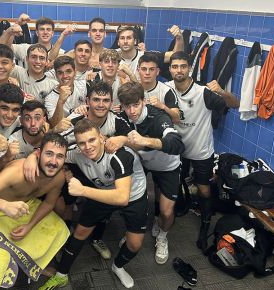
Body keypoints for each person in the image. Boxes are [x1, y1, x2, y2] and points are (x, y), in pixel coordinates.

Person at [38, 119, 147, 289]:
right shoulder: (77, 153)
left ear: (101, 137)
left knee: (134, 244)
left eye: (92, 140)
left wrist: (82, 191)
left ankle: (117, 266)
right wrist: (34, 158)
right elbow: (52, 153)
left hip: (132, 196)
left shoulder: (119, 155)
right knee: (80, 231)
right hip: (102, 193)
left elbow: (121, 197)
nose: (87, 147)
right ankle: (61, 274)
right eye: (82, 143)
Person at [0, 133, 70, 289]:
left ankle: (34, 265)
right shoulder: (17, 171)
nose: (53, 162)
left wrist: (30, 226)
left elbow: (48, 203)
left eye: (59, 156)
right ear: (38, 153)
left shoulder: (59, 177)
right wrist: (5, 206)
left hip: (24, 205)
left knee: (59, 228)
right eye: (49, 154)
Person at [165, 51, 239, 252]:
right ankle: (182, 205)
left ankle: (205, 222)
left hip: (200, 149)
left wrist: (222, 91)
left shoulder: (203, 92)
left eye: (182, 66)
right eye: (174, 66)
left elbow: (236, 104)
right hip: (177, 148)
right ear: (170, 69)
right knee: (176, 181)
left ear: (189, 68)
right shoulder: (166, 89)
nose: (178, 70)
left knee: (204, 188)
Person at [54, 81, 132, 260]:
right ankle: (63, 236)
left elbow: (133, 142)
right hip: (77, 165)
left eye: (106, 100)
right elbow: (55, 146)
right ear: (87, 101)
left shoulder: (117, 121)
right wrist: (65, 169)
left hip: (102, 169)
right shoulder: (75, 120)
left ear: (112, 103)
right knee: (67, 199)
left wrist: (121, 139)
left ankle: (97, 237)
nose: (101, 104)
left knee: (106, 198)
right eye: (96, 100)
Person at [117, 81, 185, 264]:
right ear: (121, 105)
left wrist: (146, 141)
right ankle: (133, 234)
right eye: (127, 106)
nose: (132, 111)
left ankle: (162, 236)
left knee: (166, 211)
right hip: (142, 164)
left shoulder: (159, 117)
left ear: (144, 101)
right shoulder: (121, 117)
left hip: (166, 166)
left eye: (136, 105)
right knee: (130, 201)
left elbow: (177, 144)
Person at [0, 100, 49, 181]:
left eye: (37, 118)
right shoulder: (12, 142)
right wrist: (6, 157)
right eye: (27, 118)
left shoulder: (50, 138)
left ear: (44, 120)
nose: (33, 123)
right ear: (21, 121)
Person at [0, 15, 71, 68]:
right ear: (37, 33)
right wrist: (16, 25)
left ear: (52, 33)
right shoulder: (25, 48)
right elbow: (0, 49)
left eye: (48, 29)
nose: (45, 32)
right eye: (42, 29)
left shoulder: (60, 52)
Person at [138, 51, 180, 124]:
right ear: (138, 70)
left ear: (157, 71)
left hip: (159, 133)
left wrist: (163, 107)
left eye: (151, 69)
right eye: (144, 69)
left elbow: (177, 120)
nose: (147, 73)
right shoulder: (133, 89)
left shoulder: (166, 91)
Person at [44, 56, 87, 127]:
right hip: (65, 134)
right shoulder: (50, 98)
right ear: (56, 75)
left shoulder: (84, 85)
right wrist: (60, 102)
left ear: (75, 72)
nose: (65, 76)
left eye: (68, 71)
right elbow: (55, 125)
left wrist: (86, 106)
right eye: (60, 73)